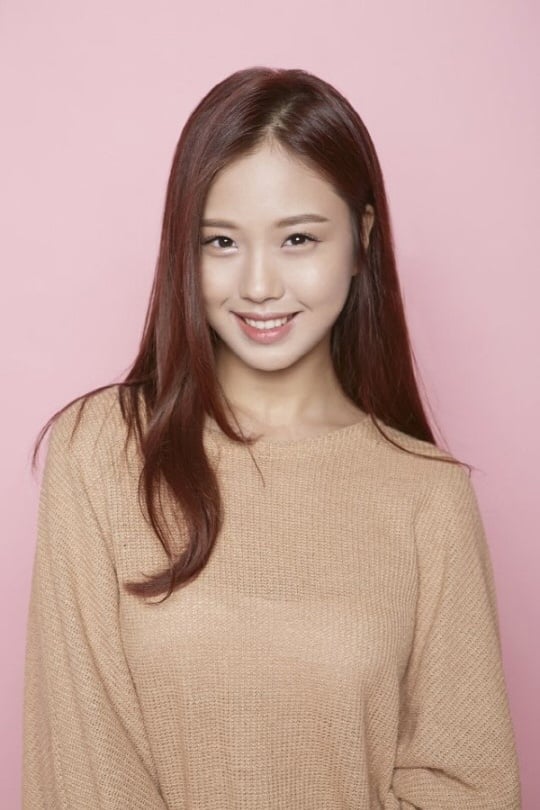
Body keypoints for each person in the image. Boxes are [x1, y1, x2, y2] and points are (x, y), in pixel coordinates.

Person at [22, 66, 521, 808]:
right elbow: (80, 767)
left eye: (298, 238)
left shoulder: (429, 495)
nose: (259, 285)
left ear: (362, 238)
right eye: (222, 241)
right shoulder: (99, 451)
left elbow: (469, 787)